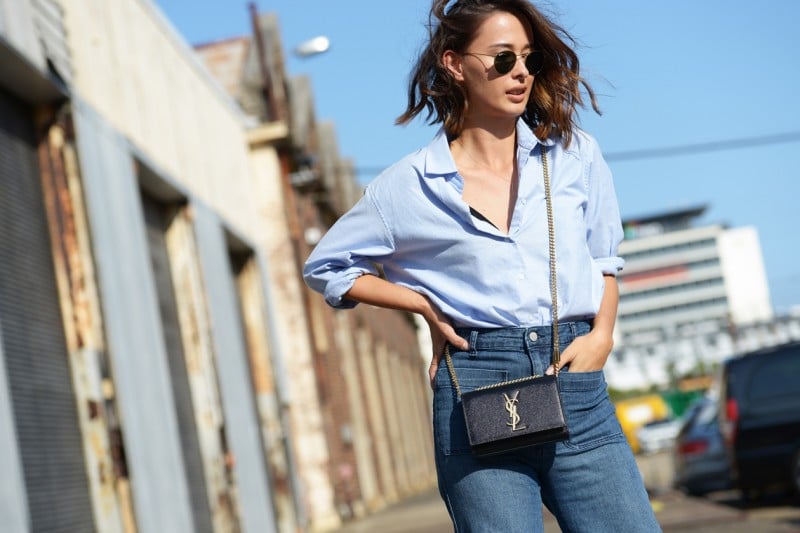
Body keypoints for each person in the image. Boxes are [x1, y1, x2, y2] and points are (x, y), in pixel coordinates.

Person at [304, 0, 661, 531]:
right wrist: (421, 304)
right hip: (474, 385)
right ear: (455, 64)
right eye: (501, 59)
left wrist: (603, 334)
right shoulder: (408, 186)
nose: (519, 72)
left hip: (576, 378)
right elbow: (326, 265)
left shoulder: (573, 156)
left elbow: (605, 259)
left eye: (528, 59)